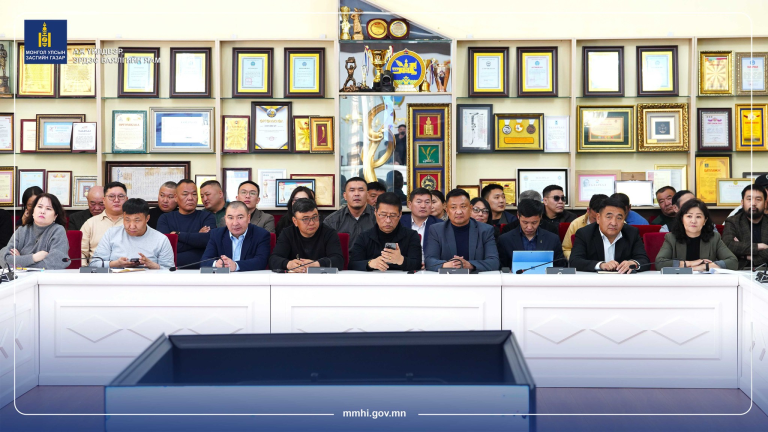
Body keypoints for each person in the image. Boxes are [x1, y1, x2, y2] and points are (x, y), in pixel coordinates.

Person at [424, 189, 499, 272]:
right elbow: (429, 261)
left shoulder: (485, 230)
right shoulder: (436, 230)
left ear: (470, 208)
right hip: (446, 278)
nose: (459, 212)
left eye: (463, 206)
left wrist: (470, 265)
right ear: (447, 211)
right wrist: (447, 265)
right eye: (453, 207)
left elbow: (494, 262)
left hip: (476, 278)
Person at [569, 197, 649, 273]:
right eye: (609, 217)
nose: (614, 223)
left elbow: (644, 260)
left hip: (623, 280)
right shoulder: (584, 233)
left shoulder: (632, 233)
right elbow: (574, 261)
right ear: (598, 218)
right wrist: (601, 265)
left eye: (619, 218)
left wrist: (633, 263)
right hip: (594, 280)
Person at [90, 198, 175, 269]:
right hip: (116, 281)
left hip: (148, 282)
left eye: (137, 220)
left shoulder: (161, 239)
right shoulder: (111, 234)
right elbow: (94, 264)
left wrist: (153, 265)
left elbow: (170, 270)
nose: (132, 226)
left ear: (147, 218)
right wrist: (115, 264)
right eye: (127, 220)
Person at [656, 199, 738, 271]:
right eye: (689, 216)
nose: (693, 221)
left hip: (705, 281)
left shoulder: (714, 238)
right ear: (682, 219)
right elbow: (659, 263)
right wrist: (690, 264)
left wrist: (703, 267)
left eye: (698, 217)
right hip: (679, 281)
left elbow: (733, 262)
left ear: (705, 220)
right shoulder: (671, 238)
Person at [349, 192, 422, 272]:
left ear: (400, 214)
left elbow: (417, 264)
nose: (388, 220)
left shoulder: (411, 236)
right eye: (383, 215)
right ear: (375, 212)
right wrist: (370, 263)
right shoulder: (364, 237)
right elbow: (352, 264)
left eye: (393, 215)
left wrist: (401, 260)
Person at [269, 198, 344, 272]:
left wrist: (316, 264)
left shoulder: (329, 233)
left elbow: (338, 260)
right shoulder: (287, 233)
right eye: (305, 219)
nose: (311, 223)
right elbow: (274, 259)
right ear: (295, 221)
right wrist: (288, 264)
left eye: (315, 217)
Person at [157, 179, 217, 269]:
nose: (190, 198)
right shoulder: (165, 218)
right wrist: (197, 237)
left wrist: (178, 235)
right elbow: (166, 246)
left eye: (194, 194)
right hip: (172, 271)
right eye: (185, 194)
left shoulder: (207, 216)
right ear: (176, 197)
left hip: (201, 270)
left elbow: (207, 240)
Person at [1, 193, 69, 270]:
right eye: (40, 207)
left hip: (47, 277)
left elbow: (55, 263)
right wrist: (34, 258)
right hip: (21, 277)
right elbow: (4, 260)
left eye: (48, 209)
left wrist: (20, 262)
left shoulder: (58, 231)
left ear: (55, 216)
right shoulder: (21, 231)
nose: (42, 211)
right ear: (33, 211)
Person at [201, 201, 271, 272]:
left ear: (248, 218)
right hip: (224, 277)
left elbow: (261, 261)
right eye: (230, 218)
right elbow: (204, 262)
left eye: (240, 217)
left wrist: (236, 265)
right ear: (225, 219)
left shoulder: (261, 234)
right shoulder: (216, 234)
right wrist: (216, 264)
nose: (235, 223)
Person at [497, 199, 565, 268]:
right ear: (518, 216)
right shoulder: (505, 240)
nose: (529, 227)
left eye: (534, 222)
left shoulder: (552, 239)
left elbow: (560, 266)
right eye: (525, 222)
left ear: (540, 217)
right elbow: (501, 267)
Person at [722, 185, 768, 270]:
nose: (753, 203)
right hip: (741, 270)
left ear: (765, 203)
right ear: (742, 202)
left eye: (758, 199)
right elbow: (727, 245)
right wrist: (759, 246)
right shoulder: (733, 221)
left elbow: (735, 248)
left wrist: (745, 255)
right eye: (749, 199)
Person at [80, 182, 128, 264]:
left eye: (120, 196)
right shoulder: (90, 223)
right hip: (97, 270)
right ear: (104, 200)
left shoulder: (135, 223)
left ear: (126, 199)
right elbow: (81, 252)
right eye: (111, 196)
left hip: (128, 269)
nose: (116, 200)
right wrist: (84, 269)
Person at [324, 177, 376, 250]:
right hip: (343, 257)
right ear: (345, 196)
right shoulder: (332, 221)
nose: (356, 194)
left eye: (361, 190)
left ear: (367, 195)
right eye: (352, 190)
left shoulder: (379, 217)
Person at [400, 188, 441, 265]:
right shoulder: (399, 223)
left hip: (431, 268)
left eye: (427, 202)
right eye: (419, 202)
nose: (423, 206)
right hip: (405, 267)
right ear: (410, 205)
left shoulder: (440, 225)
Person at [562, 194, 608, 259]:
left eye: (602, 219)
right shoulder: (576, 224)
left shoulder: (616, 225)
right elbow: (566, 248)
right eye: (595, 219)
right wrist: (575, 260)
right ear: (588, 210)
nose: (598, 222)